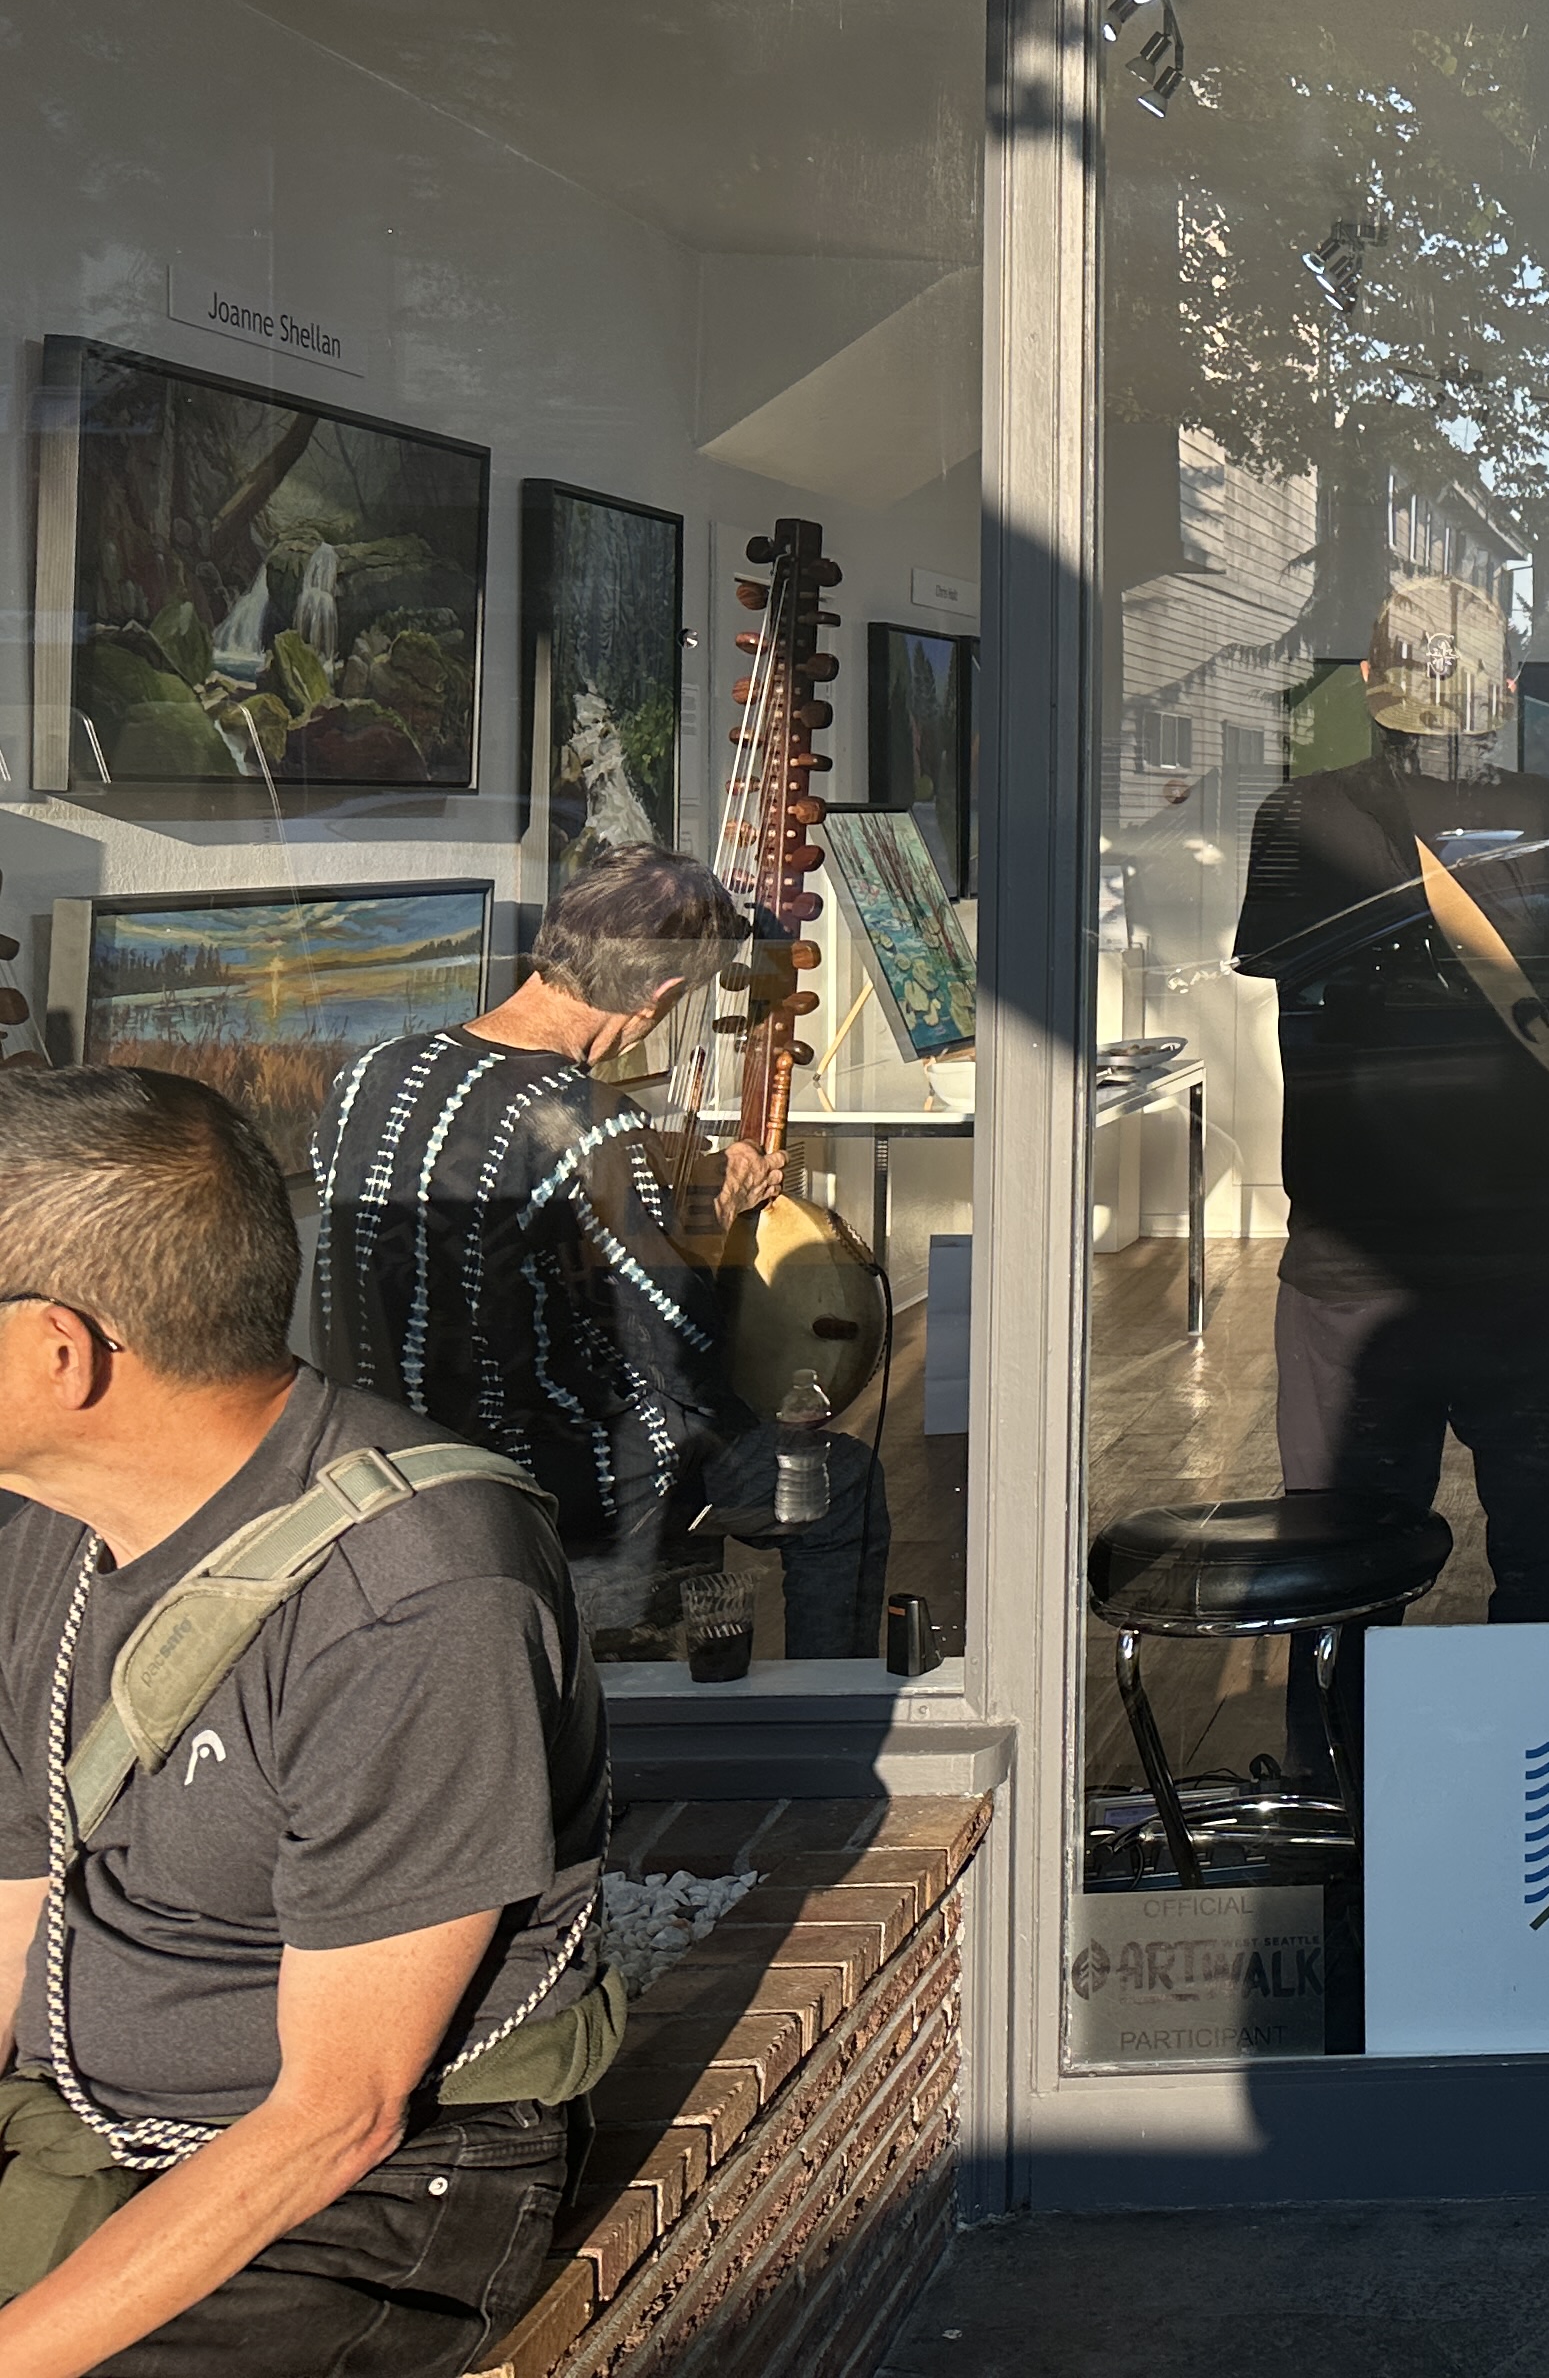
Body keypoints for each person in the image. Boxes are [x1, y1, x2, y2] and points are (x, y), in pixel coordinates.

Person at [0, 1067, 612, 2377]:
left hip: (359, 2204)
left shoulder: (417, 1592)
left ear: (61, 1349)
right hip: (87, 2138)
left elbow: (338, 2116)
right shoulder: (44, 1537)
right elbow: (8, 1908)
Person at [310, 848, 887, 1656]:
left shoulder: (370, 1073)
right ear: (660, 995)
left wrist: (676, 1194)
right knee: (838, 1480)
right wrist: (718, 1213)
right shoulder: (582, 1117)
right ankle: (824, 1708)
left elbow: (488, 1230)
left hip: (375, 1456)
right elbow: (677, 1353)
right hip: (545, 1482)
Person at [1235, 613, 1549, 1629]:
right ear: (1504, 693)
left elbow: (1296, 993)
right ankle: (1521, 1740)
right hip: (1543, 1266)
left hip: (1355, 1269)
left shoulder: (1298, 813)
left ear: (1370, 681)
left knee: (1342, 1591)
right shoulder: (1548, 814)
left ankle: (1349, 1737)